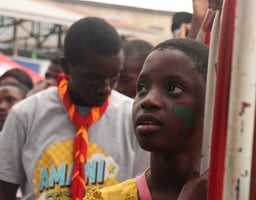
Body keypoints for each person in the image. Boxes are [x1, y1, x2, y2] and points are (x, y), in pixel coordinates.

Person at [0, 17, 149, 200]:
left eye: (113, 76)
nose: (105, 87)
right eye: (93, 78)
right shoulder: (27, 114)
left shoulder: (132, 117)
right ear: (66, 66)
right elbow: (4, 190)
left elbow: (143, 191)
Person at [85, 38, 209, 200]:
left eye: (173, 88)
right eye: (142, 88)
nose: (148, 100)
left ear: (210, 102)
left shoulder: (235, 192)